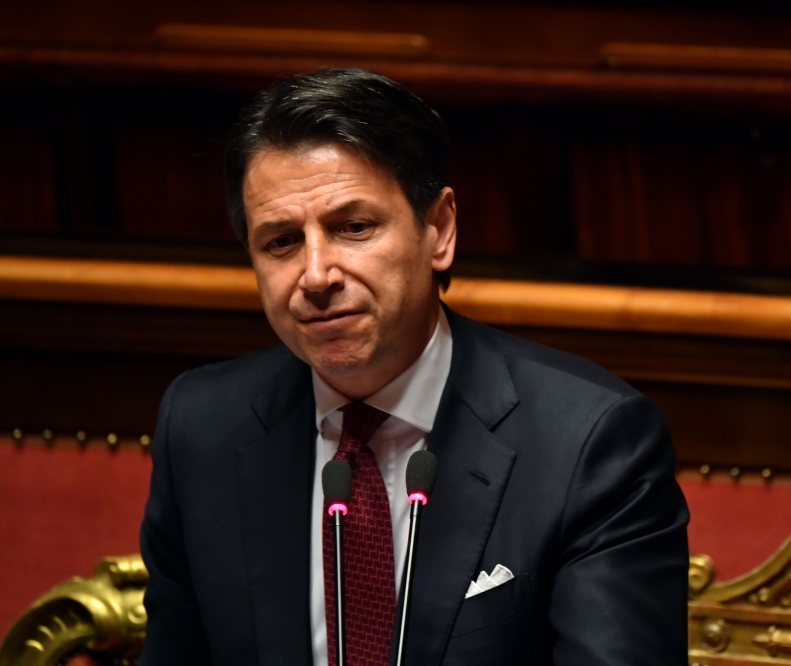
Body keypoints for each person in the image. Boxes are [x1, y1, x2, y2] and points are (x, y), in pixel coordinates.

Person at [139, 68, 689, 666]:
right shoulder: (204, 427)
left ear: (439, 231)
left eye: (354, 228)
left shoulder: (588, 443)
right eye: (281, 242)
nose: (317, 275)